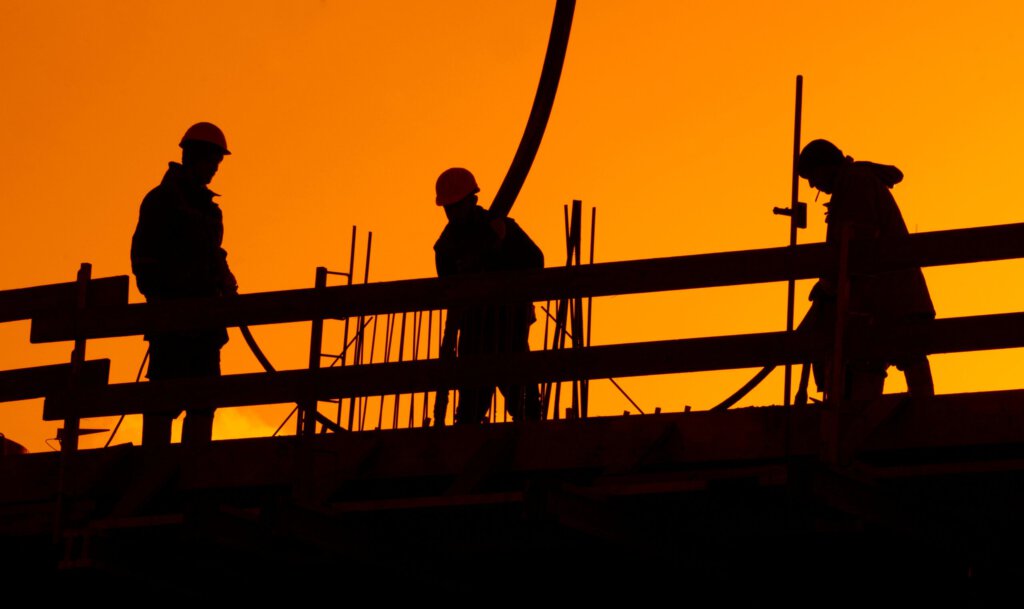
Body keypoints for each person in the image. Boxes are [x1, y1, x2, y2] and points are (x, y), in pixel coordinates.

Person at [798, 139, 935, 401]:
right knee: (878, 357)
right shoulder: (854, 183)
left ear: (825, 167)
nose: (813, 186)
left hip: (890, 296)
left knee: (900, 353)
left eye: (812, 177)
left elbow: (857, 246)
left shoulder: (856, 185)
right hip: (884, 297)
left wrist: (829, 285)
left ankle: (924, 419)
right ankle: (910, 416)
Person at [130, 122, 238, 445]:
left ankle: (195, 470)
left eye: (218, 163)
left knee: (203, 401)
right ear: (193, 157)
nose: (214, 170)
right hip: (172, 326)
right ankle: (155, 467)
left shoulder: (209, 211)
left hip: (205, 329)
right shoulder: (162, 202)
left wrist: (223, 276)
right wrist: (168, 302)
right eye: (211, 162)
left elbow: (210, 253)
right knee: (163, 402)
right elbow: (144, 262)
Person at [432, 167, 545, 425]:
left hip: (510, 328)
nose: (452, 213)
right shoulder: (447, 246)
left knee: (527, 407)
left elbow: (536, 262)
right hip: (474, 334)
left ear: (472, 201)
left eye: (456, 206)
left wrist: (503, 243)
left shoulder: (500, 226)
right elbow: (448, 290)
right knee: (470, 411)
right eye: (448, 208)